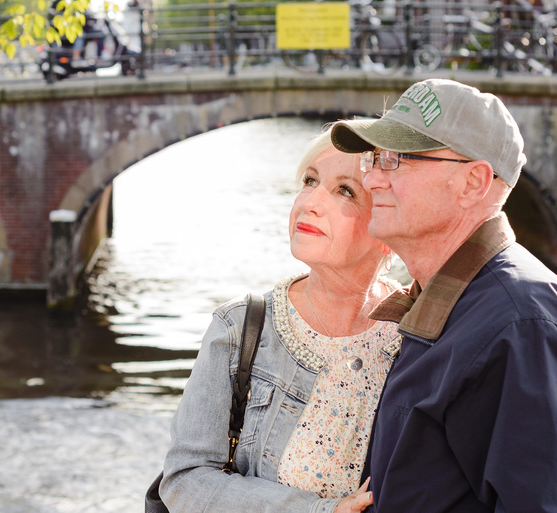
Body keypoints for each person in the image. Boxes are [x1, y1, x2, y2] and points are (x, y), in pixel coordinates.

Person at [329, 78, 557, 512]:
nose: (372, 180)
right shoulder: (463, 305)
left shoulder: (522, 325)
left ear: (473, 182)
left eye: (395, 160)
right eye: (374, 159)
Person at [157, 125, 400, 513]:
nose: (310, 201)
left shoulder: (419, 337)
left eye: (345, 190)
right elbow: (186, 480)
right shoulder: (240, 329)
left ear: (389, 224)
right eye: (310, 180)